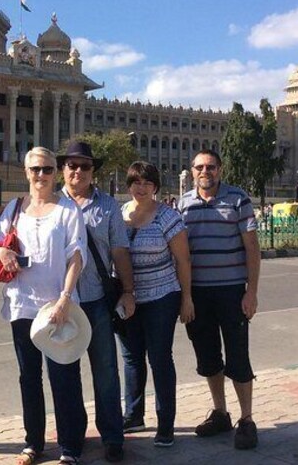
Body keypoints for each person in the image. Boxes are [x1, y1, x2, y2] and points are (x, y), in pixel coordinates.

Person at [0, 147, 88, 465]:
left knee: (64, 376)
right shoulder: (15, 208)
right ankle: (34, 443)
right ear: (25, 172)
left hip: (57, 306)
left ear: (56, 172)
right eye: (35, 169)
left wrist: (65, 297)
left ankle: (70, 447)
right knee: (28, 377)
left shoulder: (68, 210)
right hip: (23, 306)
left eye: (47, 169)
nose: (41, 175)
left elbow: (77, 256)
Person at [177, 150, 260, 450]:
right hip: (199, 293)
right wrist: (185, 296)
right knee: (208, 357)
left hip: (231, 290)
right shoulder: (184, 203)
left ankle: (247, 419)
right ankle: (220, 412)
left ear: (220, 170)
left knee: (238, 356)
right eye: (199, 167)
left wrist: (251, 292)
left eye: (210, 166)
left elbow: (252, 248)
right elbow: (181, 253)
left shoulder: (238, 199)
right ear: (192, 170)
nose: (205, 171)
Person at [59, 141, 135, 462]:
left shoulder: (108, 206)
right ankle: (71, 441)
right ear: (63, 168)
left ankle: (113, 436)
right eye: (72, 165)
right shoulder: (50, 203)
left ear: (93, 171)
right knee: (66, 374)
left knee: (105, 371)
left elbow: (119, 251)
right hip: (63, 306)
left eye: (85, 166)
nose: (78, 171)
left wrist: (128, 291)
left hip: (97, 301)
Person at [119, 161, 194, 448]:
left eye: (147, 183)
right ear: (129, 186)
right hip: (128, 298)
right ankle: (133, 414)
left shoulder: (168, 217)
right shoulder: (120, 214)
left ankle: (166, 423)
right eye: (136, 182)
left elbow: (183, 260)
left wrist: (186, 297)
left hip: (162, 296)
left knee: (160, 358)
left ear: (156, 188)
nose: (141, 188)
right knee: (131, 358)